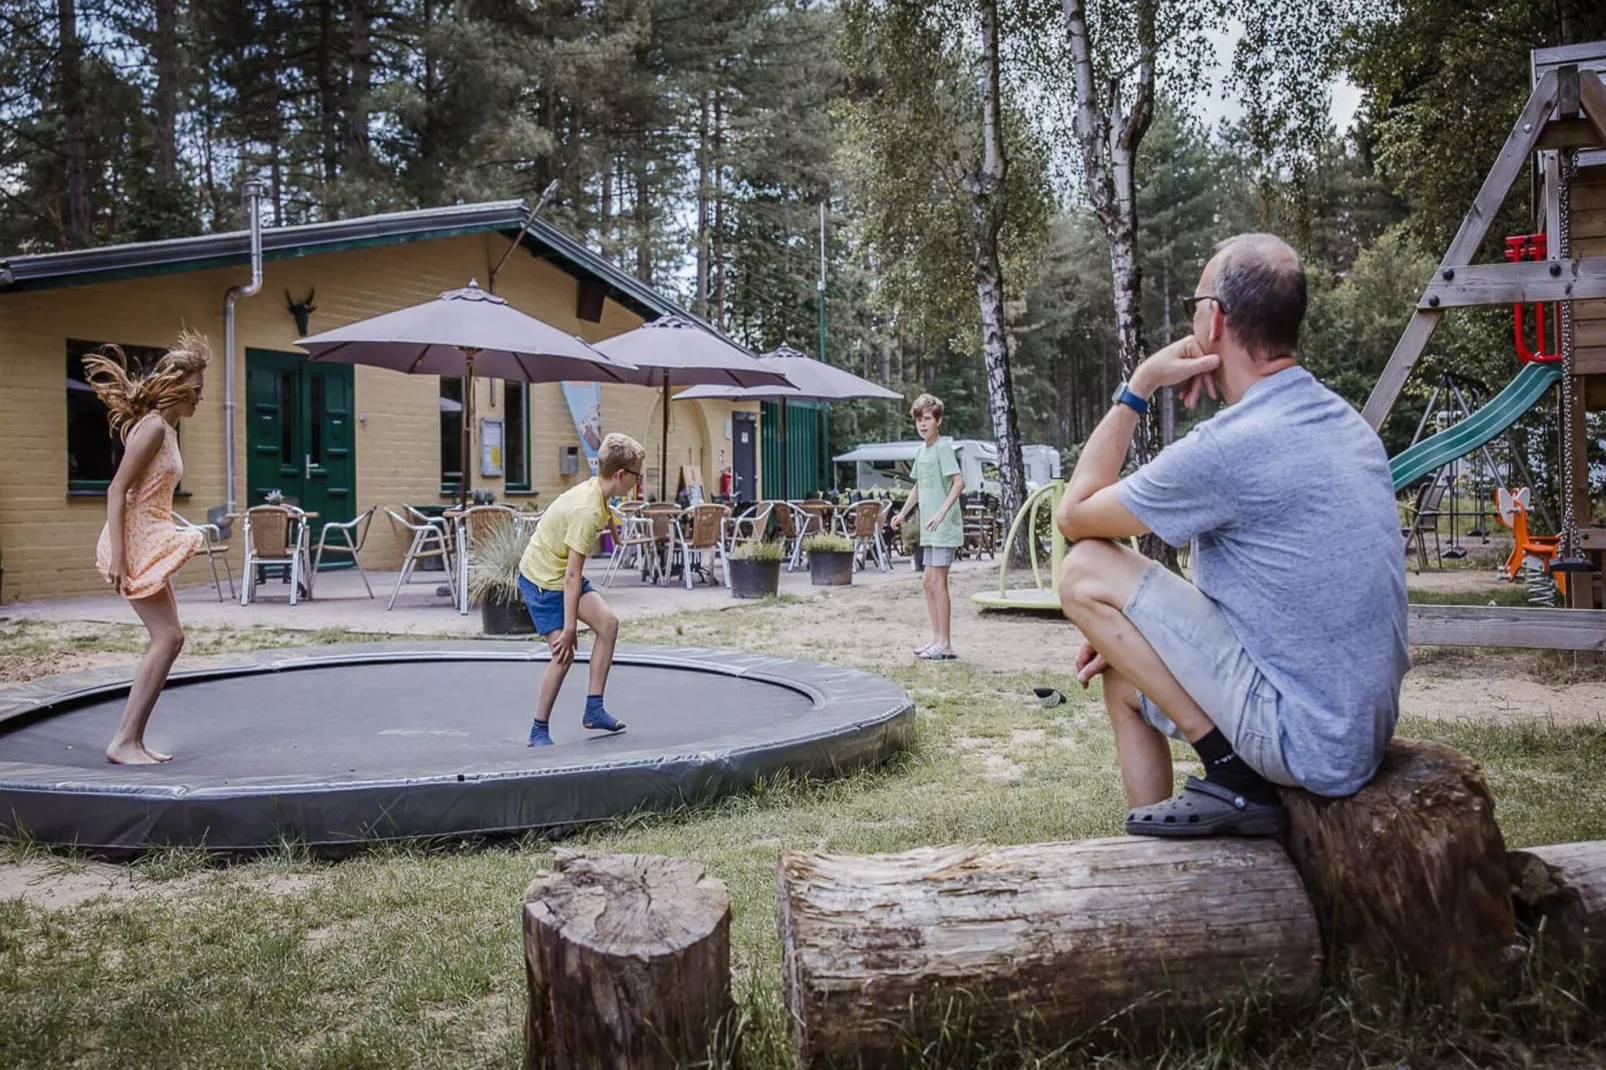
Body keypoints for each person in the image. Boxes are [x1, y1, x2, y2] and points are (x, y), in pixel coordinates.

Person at [1056, 233, 1409, 837]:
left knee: (1084, 569)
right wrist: (1130, 636)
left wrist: (1139, 386)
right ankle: (1154, 865)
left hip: (1303, 738)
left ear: (1214, 319)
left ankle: (1231, 774)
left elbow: (1075, 515)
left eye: (1196, 301)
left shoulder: (1231, 446)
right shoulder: (1343, 423)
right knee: (1121, 675)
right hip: (1353, 728)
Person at [88, 331, 212, 765]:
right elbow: (116, 489)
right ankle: (124, 741)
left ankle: (133, 741)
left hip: (150, 536)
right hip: (137, 542)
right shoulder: (154, 429)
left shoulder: (168, 431)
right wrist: (121, 555)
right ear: (177, 387)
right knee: (169, 637)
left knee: (171, 639)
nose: (200, 398)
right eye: (196, 390)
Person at [519, 432, 647, 746]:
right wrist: (569, 627)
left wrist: (616, 534)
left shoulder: (600, 491)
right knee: (563, 653)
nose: (638, 481)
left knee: (608, 624)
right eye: (636, 475)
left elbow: (604, 507)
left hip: (559, 570)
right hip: (542, 580)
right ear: (620, 475)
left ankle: (593, 709)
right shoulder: (586, 512)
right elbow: (572, 576)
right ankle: (538, 730)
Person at [892, 394, 966, 661]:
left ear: (939, 421)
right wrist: (902, 513)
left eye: (927, 419)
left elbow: (959, 483)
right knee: (927, 582)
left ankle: (946, 645)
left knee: (938, 582)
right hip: (929, 527)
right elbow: (919, 487)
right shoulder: (921, 451)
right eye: (919, 420)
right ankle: (935, 639)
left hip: (943, 527)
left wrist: (941, 512)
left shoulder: (943, 449)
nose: (922, 424)